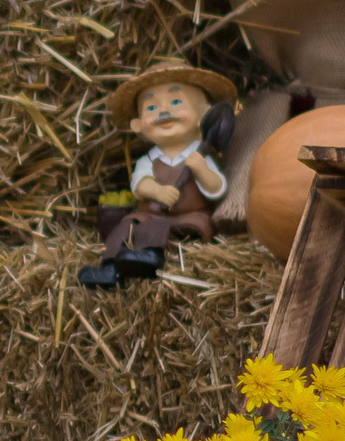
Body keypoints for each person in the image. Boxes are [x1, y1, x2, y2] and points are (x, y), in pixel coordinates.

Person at [79, 63, 237, 290]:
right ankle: (109, 267)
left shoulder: (200, 156)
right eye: (151, 107)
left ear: (204, 113)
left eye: (175, 102)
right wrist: (156, 191)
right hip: (149, 213)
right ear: (138, 126)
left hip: (189, 218)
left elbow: (217, 189)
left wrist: (202, 170)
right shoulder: (149, 160)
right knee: (125, 226)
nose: (163, 112)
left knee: (156, 227)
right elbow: (139, 185)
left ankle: (150, 256)